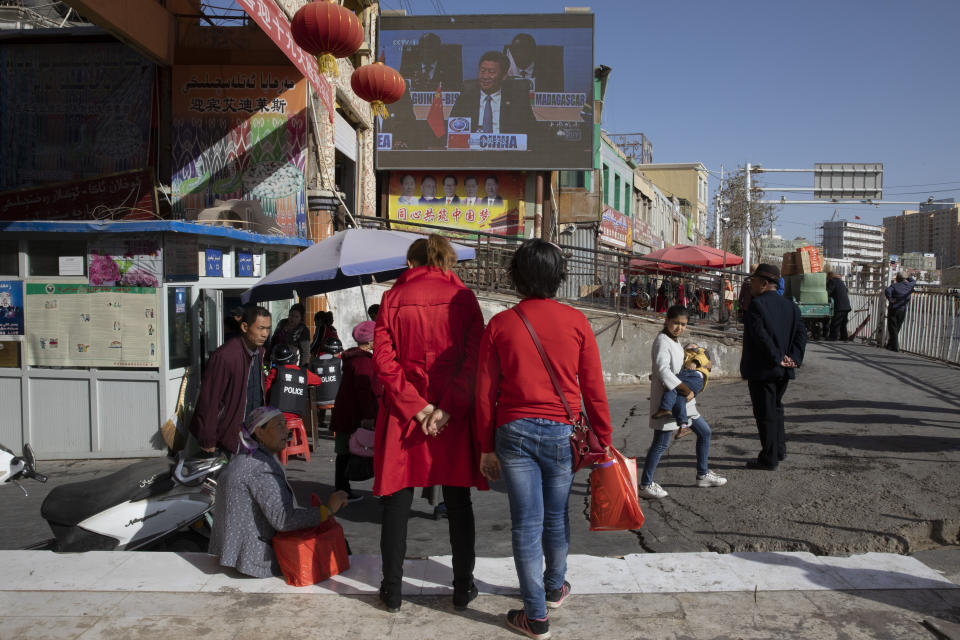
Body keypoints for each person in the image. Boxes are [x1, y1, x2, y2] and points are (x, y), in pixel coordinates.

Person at [475, 239, 613, 640]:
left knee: (526, 523)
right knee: (555, 516)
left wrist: (485, 445)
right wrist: (602, 437)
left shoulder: (500, 324)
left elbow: (484, 392)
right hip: (562, 433)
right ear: (559, 277)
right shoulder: (577, 322)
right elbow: (593, 389)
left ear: (516, 277)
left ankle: (535, 615)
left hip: (513, 431)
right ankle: (555, 587)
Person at [373, 234, 486, 613]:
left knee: (397, 500)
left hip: (405, 415)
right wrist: (447, 408)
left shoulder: (393, 298)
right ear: (446, 260)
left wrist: (417, 408)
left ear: (412, 262)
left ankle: (391, 591)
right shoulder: (464, 298)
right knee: (458, 502)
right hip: (451, 414)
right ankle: (462, 587)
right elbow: (475, 360)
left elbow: (384, 363)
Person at [209, 406, 348, 578]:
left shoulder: (244, 459)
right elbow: (283, 520)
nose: (286, 430)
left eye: (285, 424)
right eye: (279, 426)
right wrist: (328, 510)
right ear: (259, 433)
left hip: (232, 556)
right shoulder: (261, 468)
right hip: (255, 562)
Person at [639, 306, 727, 500]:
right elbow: (663, 370)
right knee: (661, 443)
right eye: (676, 323)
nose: (679, 327)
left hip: (682, 400)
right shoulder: (663, 341)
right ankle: (645, 484)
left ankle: (702, 474)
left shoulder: (674, 340)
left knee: (705, 432)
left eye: (683, 324)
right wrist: (685, 389)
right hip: (669, 400)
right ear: (666, 320)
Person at [740, 264, 807, 470]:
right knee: (776, 408)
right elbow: (801, 336)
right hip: (783, 370)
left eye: (753, 281)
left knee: (765, 413)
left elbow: (761, 337)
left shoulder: (757, 305)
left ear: (764, 283)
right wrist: (793, 358)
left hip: (763, 369)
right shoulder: (791, 307)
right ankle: (779, 449)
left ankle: (769, 457)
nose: (751, 284)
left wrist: (777, 357)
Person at [190, 305, 271, 455]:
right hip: (226, 436)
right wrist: (207, 439)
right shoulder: (225, 356)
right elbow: (209, 400)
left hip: (251, 433)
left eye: (268, 328)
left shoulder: (259, 352)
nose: (265, 334)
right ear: (245, 327)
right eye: (260, 328)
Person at [330, 320, 382, 501]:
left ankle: (341, 489)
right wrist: (369, 416)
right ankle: (343, 490)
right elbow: (365, 391)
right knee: (345, 452)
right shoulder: (363, 362)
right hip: (354, 415)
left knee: (343, 452)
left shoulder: (354, 358)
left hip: (346, 412)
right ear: (370, 341)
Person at [449, 51, 538, 136]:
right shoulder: (464, 100)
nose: (485, 77)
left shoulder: (517, 101)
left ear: (503, 76)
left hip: (505, 150)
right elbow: (454, 132)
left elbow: (531, 132)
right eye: (482, 71)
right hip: (473, 150)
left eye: (491, 72)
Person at [264, 343, 324, 452]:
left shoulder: (275, 371)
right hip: (297, 414)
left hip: (277, 414)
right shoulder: (303, 373)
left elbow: (266, 391)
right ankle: (294, 441)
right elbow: (318, 381)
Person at [653, 342, 711, 428]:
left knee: (671, 384)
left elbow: (703, 357)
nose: (691, 346)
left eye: (693, 345)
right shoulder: (683, 355)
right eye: (688, 346)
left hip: (693, 374)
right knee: (680, 398)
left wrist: (695, 362)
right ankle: (683, 424)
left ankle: (665, 408)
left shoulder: (700, 351)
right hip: (691, 379)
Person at [884, 273, 916, 352]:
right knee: (897, 327)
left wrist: (891, 300)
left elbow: (887, 291)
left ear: (897, 278)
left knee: (892, 328)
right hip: (902, 309)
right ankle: (889, 345)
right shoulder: (909, 285)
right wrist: (907, 277)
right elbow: (913, 280)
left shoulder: (895, 286)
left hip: (894, 308)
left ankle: (895, 347)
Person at [826, 272, 852, 341]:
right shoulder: (840, 282)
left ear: (829, 277)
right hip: (846, 305)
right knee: (843, 323)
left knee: (835, 322)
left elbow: (828, 291)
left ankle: (833, 337)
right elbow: (846, 290)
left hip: (840, 305)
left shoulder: (832, 281)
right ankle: (844, 337)